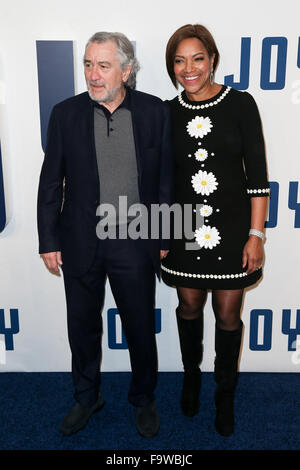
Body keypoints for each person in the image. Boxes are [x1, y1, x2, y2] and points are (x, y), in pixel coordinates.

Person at [37, 32, 173, 438]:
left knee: (138, 326)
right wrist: (48, 240)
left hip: (135, 238)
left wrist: (163, 232)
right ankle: (86, 396)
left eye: (103, 65)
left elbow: (166, 178)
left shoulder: (154, 112)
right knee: (81, 326)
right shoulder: (65, 113)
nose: (93, 75)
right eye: (88, 64)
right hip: (80, 238)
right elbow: (50, 181)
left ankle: (143, 398)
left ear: (126, 71)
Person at [161, 24, 269, 437]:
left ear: (212, 60)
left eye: (198, 58)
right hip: (183, 232)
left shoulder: (240, 104)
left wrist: (256, 236)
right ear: (171, 66)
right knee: (188, 308)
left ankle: (225, 393)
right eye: (179, 60)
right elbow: (162, 183)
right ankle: (191, 376)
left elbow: (258, 178)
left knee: (228, 315)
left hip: (233, 231)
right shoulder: (166, 113)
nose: (189, 68)